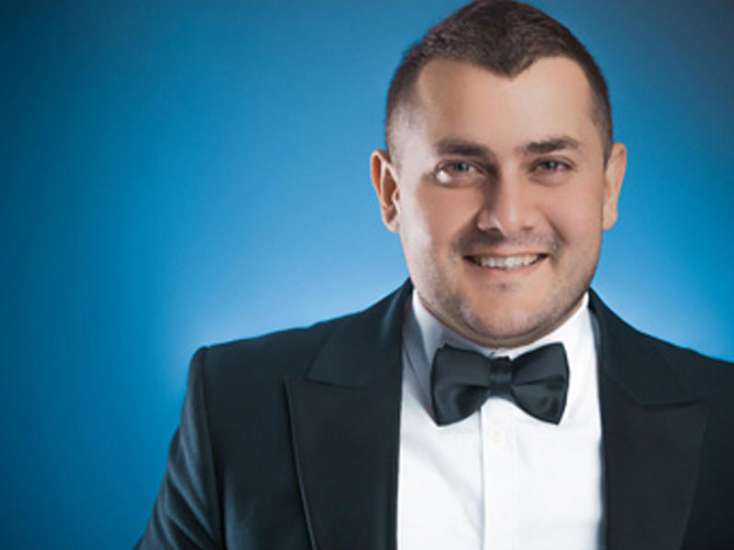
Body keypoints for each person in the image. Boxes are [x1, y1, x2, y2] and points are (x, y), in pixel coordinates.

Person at [136, 1, 734, 549]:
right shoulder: (235, 405)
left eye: (550, 164)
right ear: (390, 192)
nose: (507, 218)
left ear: (608, 187)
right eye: (460, 168)